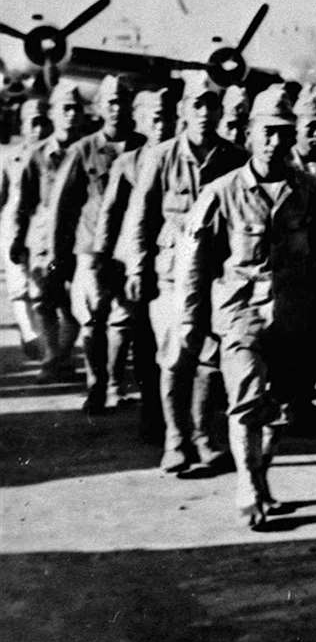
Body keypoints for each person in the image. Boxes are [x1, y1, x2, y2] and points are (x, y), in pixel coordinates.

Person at [178, 89, 316, 529]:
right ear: (251, 135)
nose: (274, 142)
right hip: (242, 315)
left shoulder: (309, 190)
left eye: (282, 133)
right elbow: (195, 263)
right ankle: (248, 487)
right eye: (266, 133)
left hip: (297, 317)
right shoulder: (222, 193)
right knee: (247, 399)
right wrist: (190, 321)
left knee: (281, 409)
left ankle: (260, 476)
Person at [118, 72, 247, 474]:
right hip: (171, 272)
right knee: (174, 357)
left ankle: (204, 436)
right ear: (183, 111)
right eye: (197, 105)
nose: (205, 112)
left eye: (212, 104)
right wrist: (137, 267)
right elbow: (139, 217)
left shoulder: (233, 157)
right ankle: (175, 439)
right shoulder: (160, 157)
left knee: (210, 357)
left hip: (217, 272)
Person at [46, 76, 144, 412]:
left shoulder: (144, 147)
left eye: (122, 101)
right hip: (90, 250)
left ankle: (115, 384)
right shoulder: (82, 150)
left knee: (122, 319)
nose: (117, 109)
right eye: (110, 103)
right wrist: (58, 257)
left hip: (129, 249)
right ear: (99, 107)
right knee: (91, 320)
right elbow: (62, 207)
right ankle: (96, 384)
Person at [91, 86, 176, 438]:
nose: (162, 125)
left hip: (175, 263)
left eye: (168, 118)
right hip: (138, 268)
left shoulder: (181, 158)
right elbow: (110, 215)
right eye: (155, 119)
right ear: (141, 121)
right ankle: (153, 413)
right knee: (145, 343)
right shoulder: (129, 163)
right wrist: (102, 260)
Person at [7, 81, 88, 382]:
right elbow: (24, 203)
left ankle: (59, 355)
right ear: (53, 113)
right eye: (65, 109)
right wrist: (17, 239)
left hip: (80, 239)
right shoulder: (38, 155)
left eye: (76, 109)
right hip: (43, 241)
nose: (71, 115)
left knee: (78, 306)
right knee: (44, 301)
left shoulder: (90, 150)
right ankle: (54, 356)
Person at [1, 99, 52, 361]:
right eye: (32, 122)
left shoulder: (56, 154)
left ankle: (43, 339)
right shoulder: (10, 157)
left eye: (43, 121)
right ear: (22, 125)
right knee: (19, 285)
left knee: (42, 288)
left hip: (43, 228)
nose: (38, 128)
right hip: (13, 226)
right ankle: (30, 333)